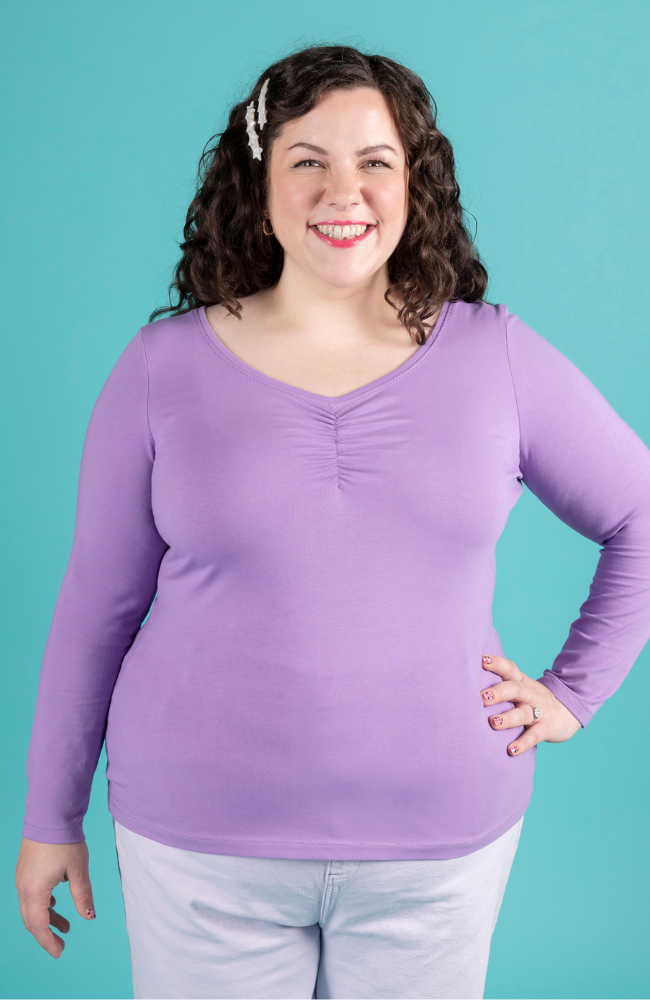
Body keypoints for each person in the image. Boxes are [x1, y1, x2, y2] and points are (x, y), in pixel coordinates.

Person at [15, 44, 650, 1000]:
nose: (340, 191)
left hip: (437, 848)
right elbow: (96, 604)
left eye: (374, 162)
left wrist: (573, 691)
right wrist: (48, 816)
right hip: (199, 848)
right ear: (258, 179)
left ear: (414, 180)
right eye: (307, 160)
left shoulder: (497, 357)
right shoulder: (161, 368)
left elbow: (640, 513)